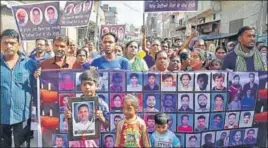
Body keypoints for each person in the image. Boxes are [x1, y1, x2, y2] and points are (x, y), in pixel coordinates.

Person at [0, 29, 37, 147]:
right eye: (5, 43)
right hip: (2, 115)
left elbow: (38, 88)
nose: (8, 46)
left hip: (23, 116)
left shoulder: (30, 64)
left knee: (22, 145)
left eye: (12, 43)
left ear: (18, 45)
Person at [65, 70, 109, 146]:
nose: (87, 87)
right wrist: (67, 118)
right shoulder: (74, 104)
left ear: (97, 86)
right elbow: (69, 127)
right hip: (78, 143)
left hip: (96, 143)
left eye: (90, 84)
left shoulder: (102, 105)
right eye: (84, 84)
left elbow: (108, 126)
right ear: (81, 86)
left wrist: (102, 118)